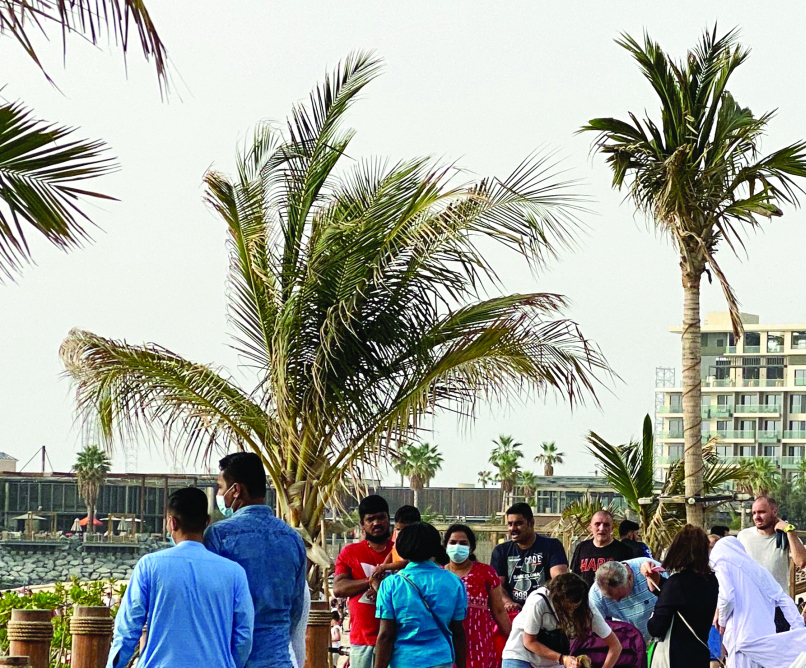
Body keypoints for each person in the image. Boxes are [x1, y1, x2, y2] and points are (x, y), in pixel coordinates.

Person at [108, 488, 254, 668]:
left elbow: (128, 629)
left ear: (172, 522)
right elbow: (243, 636)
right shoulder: (235, 573)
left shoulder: (149, 566)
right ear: (207, 521)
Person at [204, 452, 307, 668]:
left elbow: (211, 605)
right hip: (278, 659)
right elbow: (296, 608)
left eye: (221, 488)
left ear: (236, 490)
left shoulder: (218, 535)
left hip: (232, 660)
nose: (220, 494)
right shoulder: (293, 538)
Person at [374, 521, 468, 668]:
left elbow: (386, 635)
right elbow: (458, 632)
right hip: (441, 660)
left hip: (404, 661)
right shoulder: (454, 582)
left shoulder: (391, 584)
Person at [710, 536, 806, 668]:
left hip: (741, 639)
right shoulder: (760, 571)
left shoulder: (721, 562)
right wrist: (798, 630)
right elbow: (783, 599)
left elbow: (726, 597)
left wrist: (721, 622)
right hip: (766, 640)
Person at [502, 572, 622, 668]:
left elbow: (615, 646)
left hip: (553, 661)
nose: (570, 611)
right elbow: (529, 642)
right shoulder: (538, 602)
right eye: (566, 607)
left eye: (574, 606)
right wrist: (562, 658)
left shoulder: (587, 609)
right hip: (521, 655)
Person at [643, 525, 718, 668]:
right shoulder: (712, 580)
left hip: (674, 658)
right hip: (699, 656)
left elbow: (656, 628)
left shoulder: (676, 582)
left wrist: (651, 617)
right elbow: (687, 598)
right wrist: (658, 582)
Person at [333, 495, 395, 668]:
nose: (376, 523)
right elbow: (338, 588)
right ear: (362, 524)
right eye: (370, 519)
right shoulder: (350, 552)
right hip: (362, 641)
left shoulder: (400, 551)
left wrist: (382, 588)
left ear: (388, 519)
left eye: (381, 517)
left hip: (397, 640)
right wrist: (370, 582)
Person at [443, 523, 512, 668]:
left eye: (463, 543)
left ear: (471, 548)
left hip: (479, 645)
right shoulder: (439, 575)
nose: (457, 546)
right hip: (447, 645)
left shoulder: (486, 573)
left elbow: (499, 611)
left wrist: (512, 640)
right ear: (446, 546)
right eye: (453, 542)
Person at [490, 503, 568, 612]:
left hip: (545, 609)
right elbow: (497, 585)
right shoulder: (501, 550)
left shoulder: (552, 546)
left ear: (531, 523)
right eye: (510, 524)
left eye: (518, 523)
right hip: (514, 611)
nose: (513, 528)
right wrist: (508, 602)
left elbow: (559, 578)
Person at [737, 496, 806, 595]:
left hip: (777, 601)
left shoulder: (785, 536)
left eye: (761, 512)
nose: (757, 517)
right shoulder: (743, 536)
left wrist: (789, 530)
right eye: (754, 513)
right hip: (750, 599)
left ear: (774, 512)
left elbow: (801, 561)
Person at [589, 556, 665, 643]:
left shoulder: (650, 570)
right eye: (610, 599)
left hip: (662, 636)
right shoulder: (596, 595)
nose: (617, 601)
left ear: (629, 578)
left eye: (620, 597)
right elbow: (594, 630)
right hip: (629, 641)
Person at [570, 510, 633, 587]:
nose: (602, 528)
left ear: (612, 528)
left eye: (606, 525)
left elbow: (629, 580)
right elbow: (574, 577)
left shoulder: (624, 550)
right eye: (597, 524)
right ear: (591, 527)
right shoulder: (581, 548)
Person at [373, 505, 421, 581]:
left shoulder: (414, 544)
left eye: (404, 530)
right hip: (394, 574)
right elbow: (391, 553)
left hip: (407, 577)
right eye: (398, 529)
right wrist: (383, 566)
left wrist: (385, 567)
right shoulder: (399, 541)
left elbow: (406, 562)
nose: (400, 533)